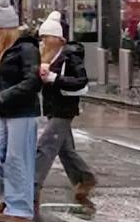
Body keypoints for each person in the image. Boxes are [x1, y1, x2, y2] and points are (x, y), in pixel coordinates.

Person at [0, 0, 42, 222]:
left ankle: (21, 209)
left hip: (22, 111)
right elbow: (6, 76)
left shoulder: (27, 48)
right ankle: (13, 198)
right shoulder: (7, 48)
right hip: (4, 110)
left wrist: (3, 96)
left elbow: (32, 81)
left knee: (17, 160)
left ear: (7, 28)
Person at [33, 11, 97, 210]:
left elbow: (81, 80)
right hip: (53, 107)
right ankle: (85, 178)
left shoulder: (70, 56)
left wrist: (53, 78)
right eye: (42, 38)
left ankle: (32, 187)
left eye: (47, 38)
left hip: (64, 109)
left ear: (57, 39)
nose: (43, 42)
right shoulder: (47, 56)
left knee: (45, 146)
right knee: (65, 149)